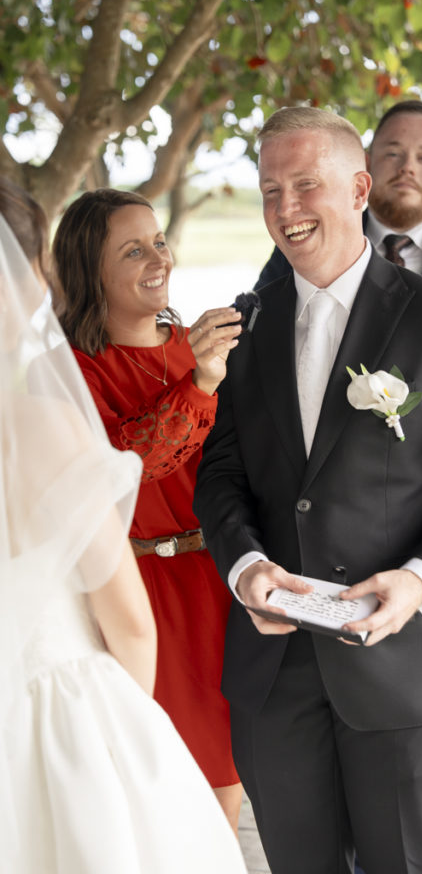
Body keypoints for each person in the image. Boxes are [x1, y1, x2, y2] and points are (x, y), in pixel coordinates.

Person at [194, 106, 422, 874]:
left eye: (304, 184)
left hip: (403, 662)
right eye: (269, 189)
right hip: (275, 672)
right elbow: (221, 475)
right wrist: (245, 568)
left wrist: (420, 580)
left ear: (357, 189)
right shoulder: (246, 324)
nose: (285, 207)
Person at [0, 177, 246, 874]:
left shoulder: (199, 345)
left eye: (158, 241)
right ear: (89, 271)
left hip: (221, 579)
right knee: (166, 784)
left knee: (230, 773)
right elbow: (129, 466)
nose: (158, 258)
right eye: (132, 251)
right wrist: (200, 384)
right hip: (138, 583)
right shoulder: (68, 371)